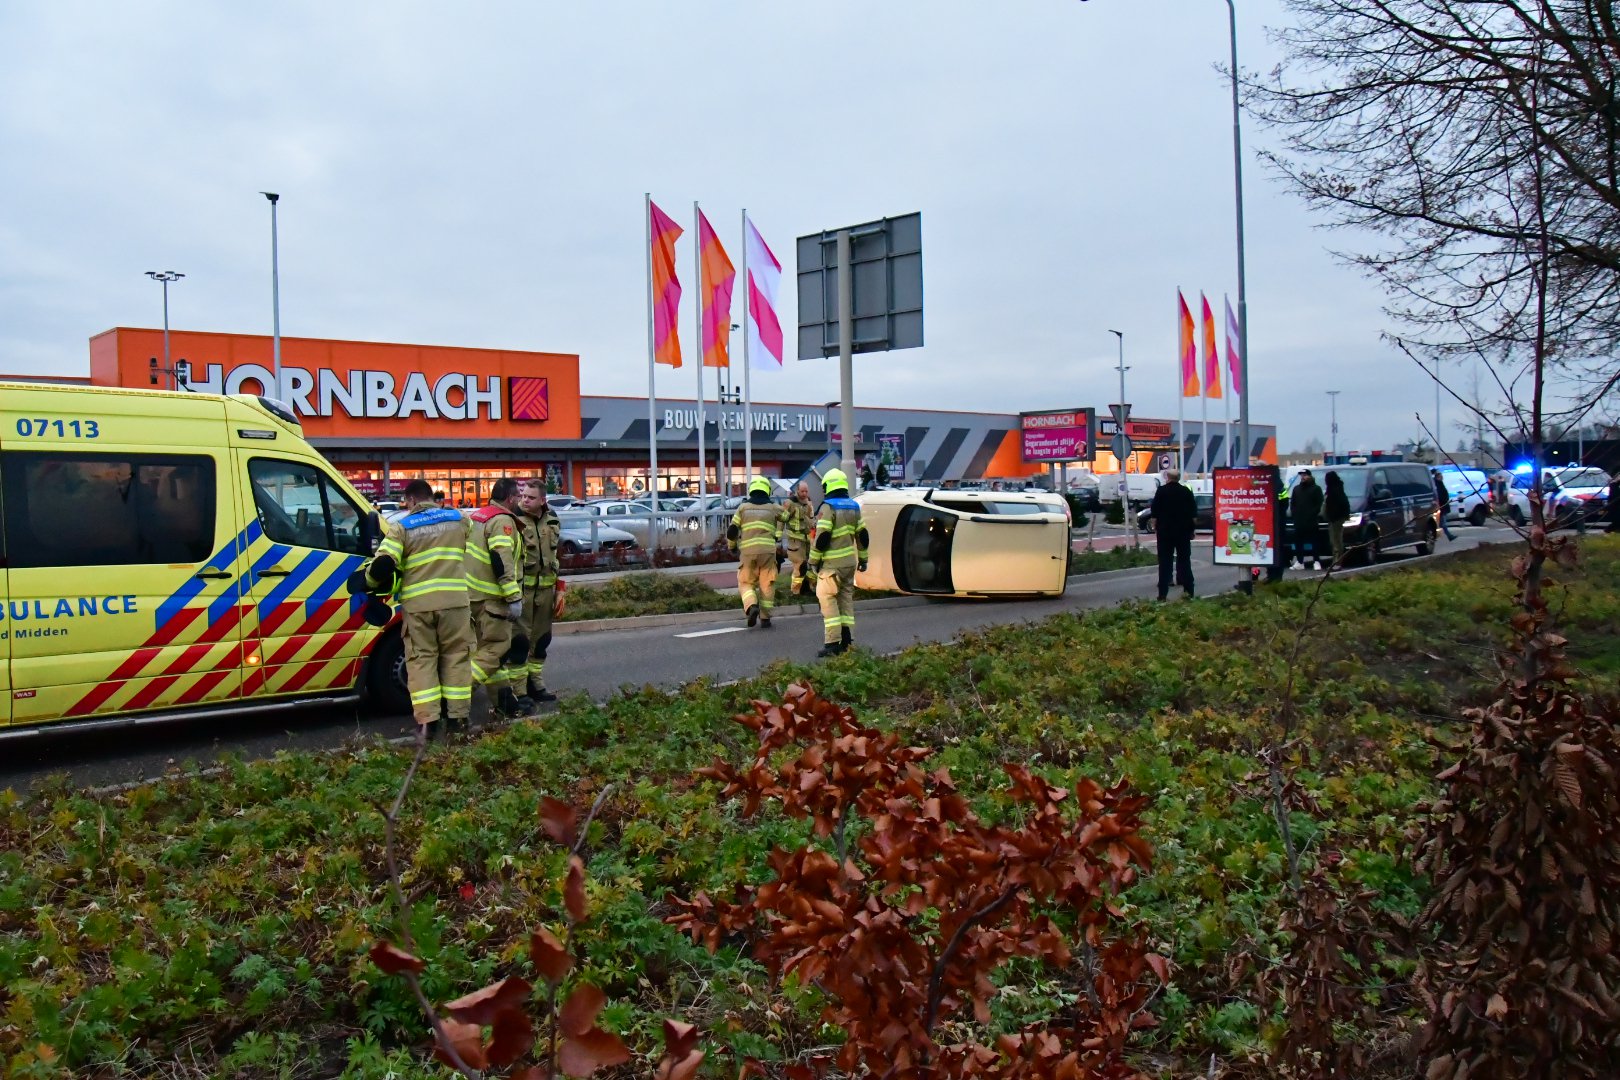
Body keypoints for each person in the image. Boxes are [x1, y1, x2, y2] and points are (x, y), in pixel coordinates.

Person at [359, 478, 472, 738]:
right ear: (431, 497)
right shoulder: (459, 519)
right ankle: (458, 721)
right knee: (456, 658)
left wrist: (367, 581)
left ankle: (429, 724)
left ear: (410, 501)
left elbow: (384, 564)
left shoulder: (402, 527)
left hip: (419, 607)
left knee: (422, 662)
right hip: (455, 603)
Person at [465, 477, 527, 720]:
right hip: (493, 599)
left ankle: (505, 704)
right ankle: (456, 695)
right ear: (511, 498)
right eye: (519, 497)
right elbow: (501, 560)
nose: (520, 502)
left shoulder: (479, 516)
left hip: (473, 596)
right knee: (498, 649)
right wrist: (513, 597)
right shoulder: (502, 521)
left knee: (488, 652)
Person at [810, 468, 868, 657]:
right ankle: (847, 640)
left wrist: (813, 561)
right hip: (849, 564)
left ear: (829, 485)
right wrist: (863, 559)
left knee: (827, 599)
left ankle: (832, 643)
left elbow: (822, 537)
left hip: (831, 565)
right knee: (845, 600)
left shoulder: (828, 507)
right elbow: (863, 536)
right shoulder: (853, 506)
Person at [515, 479, 563, 706]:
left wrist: (560, 589)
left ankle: (536, 684)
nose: (525, 500)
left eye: (531, 497)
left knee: (541, 641)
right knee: (519, 643)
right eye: (523, 495)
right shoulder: (513, 521)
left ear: (543, 500)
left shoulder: (552, 519)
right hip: (522, 593)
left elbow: (555, 558)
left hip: (545, 593)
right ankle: (519, 691)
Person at [728, 477, 783, 628]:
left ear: (751, 489)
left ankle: (752, 605)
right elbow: (787, 516)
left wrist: (732, 546)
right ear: (767, 490)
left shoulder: (743, 508)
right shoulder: (773, 507)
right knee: (767, 584)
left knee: (745, 582)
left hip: (748, 552)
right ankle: (765, 618)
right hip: (767, 553)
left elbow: (732, 530)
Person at [1146, 469, 1196, 600]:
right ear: (1178, 478)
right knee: (1184, 561)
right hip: (1183, 532)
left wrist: (1155, 526)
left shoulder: (1161, 491)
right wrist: (1192, 530)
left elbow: (1154, 513)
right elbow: (1193, 515)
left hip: (1165, 533)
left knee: (1165, 563)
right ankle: (1189, 592)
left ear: (1167, 477)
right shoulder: (1186, 492)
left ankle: (1162, 594)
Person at [779, 481, 816, 596]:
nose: (804, 494)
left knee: (811, 566)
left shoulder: (808, 503)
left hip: (807, 540)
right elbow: (782, 519)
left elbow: (812, 519)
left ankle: (810, 588)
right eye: (802, 491)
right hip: (795, 541)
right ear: (797, 491)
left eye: (806, 491)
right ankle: (796, 591)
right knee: (799, 566)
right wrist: (778, 535)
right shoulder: (789, 503)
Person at [1290, 469, 1325, 569]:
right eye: (1301, 475)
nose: (1303, 477)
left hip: (1311, 520)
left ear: (1309, 476)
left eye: (1305, 475)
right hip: (1299, 521)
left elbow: (1319, 504)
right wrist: (1294, 514)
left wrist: (1312, 514)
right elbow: (1293, 503)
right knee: (1298, 542)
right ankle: (1300, 562)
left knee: (1314, 542)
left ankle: (1316, 561)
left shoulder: (1316, 489)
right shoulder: (1296, 489)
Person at [1323, 471, 1351, 566]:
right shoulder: (1335, 489)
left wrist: (1334, 515)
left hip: (1336, 518)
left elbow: (1341, 505)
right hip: (1333, 518)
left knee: (1336, 540)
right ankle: (1336, 560)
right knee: (1334, 540)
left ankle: (1337, 561)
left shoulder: (1335, 490)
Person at [1430, 470, 1456, 541]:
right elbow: (1440, 495)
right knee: (1442, 523)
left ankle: (1435, 535)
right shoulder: (1438, 484)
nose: (1442, 477)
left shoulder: (1439, 483)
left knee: (1441, 523)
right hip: (1441, 506)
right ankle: (1449, 536)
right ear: (1438, 476)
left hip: (1442, 506)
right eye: (1440, 476)